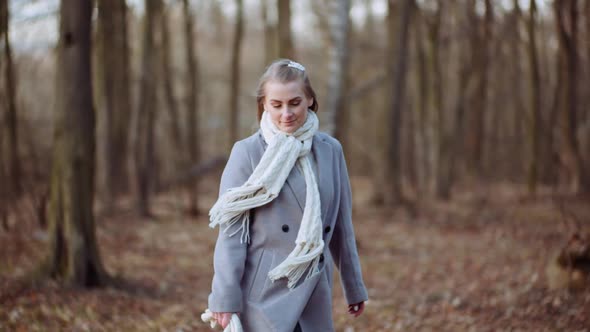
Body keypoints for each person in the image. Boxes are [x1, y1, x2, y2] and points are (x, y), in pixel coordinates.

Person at [206, 59, 368, 332]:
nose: (286, 113)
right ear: (264, 105)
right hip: (263, 293)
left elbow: (341, 226)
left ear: (310, 101)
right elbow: (232, 235)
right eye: (276, 105)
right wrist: (224, 298)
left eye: (295, 103)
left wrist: (354, 287)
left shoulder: (330, 150)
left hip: (315, 287)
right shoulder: (247, 153)